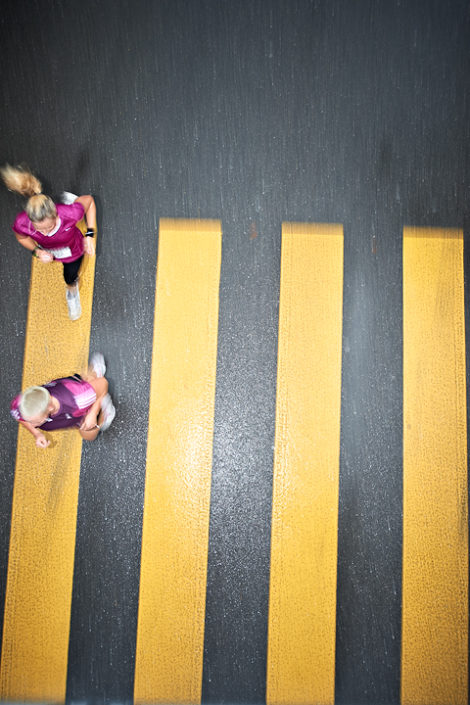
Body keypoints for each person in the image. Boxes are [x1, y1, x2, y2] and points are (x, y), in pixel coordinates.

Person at [1, 164, 97, 320]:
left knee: (70, 276)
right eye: (39, 229)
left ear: (56, 216)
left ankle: (71, 291)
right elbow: (21, 237)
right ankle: (64, 199)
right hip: (48, 251)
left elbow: (90, 202)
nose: (45, 233)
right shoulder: (22, 222)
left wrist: (90, 234)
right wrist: (36, 251)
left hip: (73, 250)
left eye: (49, 227)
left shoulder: (70, 214)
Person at [10, 354, 115, 447]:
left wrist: (93, 413)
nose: (32, 425)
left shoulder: (77, 399)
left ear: (50, 407)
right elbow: (20, 418)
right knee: (87, 431)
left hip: (79, 399)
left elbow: (103, 383)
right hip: (71, 407)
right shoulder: (21, 405)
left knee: (89, 434)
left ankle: (96, 381)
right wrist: (36, 433)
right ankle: (92, 385)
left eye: (36, 422)